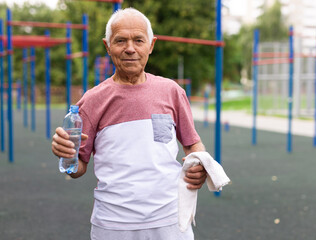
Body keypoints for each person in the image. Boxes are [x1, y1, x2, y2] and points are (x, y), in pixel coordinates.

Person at [52, 7, 207, 240]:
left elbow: (193, 144)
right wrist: (66, 154)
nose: (130, 48)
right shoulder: (92, 101)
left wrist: (200, 164)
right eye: (120, 40)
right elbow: (77, 167)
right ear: (107, 46)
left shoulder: (171, 92)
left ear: (151, 45)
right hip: (113, 224)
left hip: (170, 220)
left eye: (138, 40)